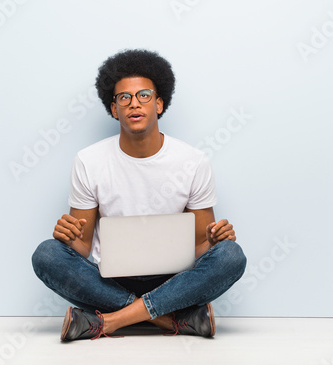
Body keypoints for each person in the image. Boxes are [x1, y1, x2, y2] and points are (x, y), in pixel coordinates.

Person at [31, 49, 247, 341]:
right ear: (113, 109)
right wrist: (68, 237)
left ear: (159, 104)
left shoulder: (193, 161)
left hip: (174, 281)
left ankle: (109, 321)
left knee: (231, 256)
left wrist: (213, 240)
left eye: (144, 95)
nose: (134, 103)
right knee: (47, 254)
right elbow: (81, 246)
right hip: (109, 280)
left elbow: (199, 246)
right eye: (124, 98)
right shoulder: (89, 160)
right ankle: (171, 320)